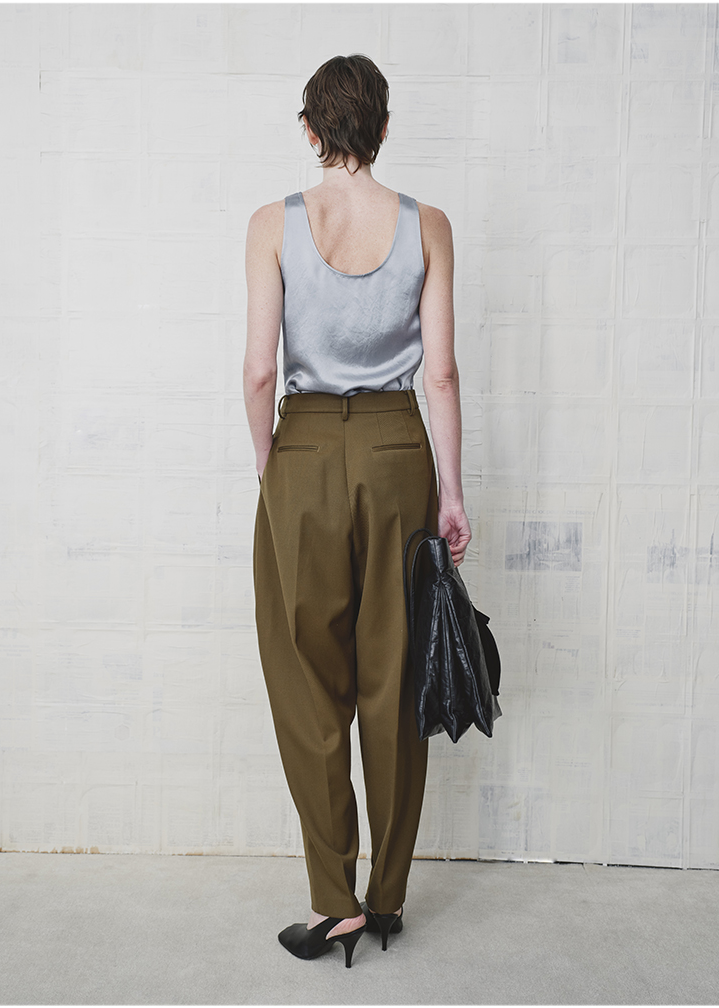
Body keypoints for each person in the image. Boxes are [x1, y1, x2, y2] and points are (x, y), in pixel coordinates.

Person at [243, 53, 472, 968]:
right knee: (395, 673)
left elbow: (259, 371)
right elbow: (440, 373)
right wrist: (452, 490)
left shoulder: (272, 224)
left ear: (310, 130)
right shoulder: (429, 226)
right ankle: (388, 899)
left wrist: (272, 470)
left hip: (301, 451)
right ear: (382, 128)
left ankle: (332, 901)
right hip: (398, 453)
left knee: (307, 677)